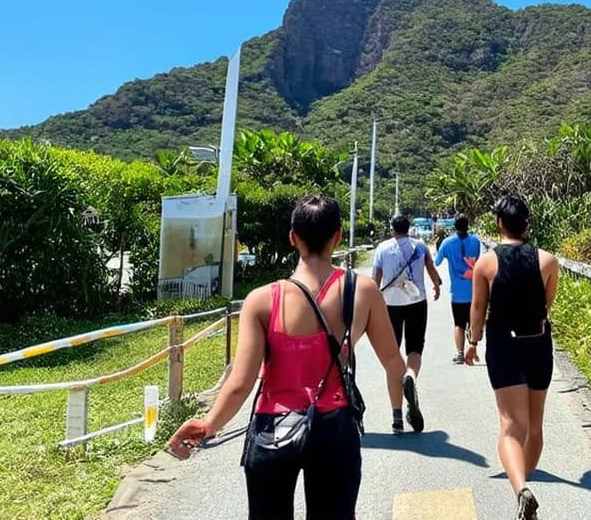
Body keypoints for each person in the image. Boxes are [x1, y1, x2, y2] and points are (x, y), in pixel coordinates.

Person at [166, 195, 406, 520]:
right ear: (337, 236)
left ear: (292, 237)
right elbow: (392, 361)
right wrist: (400, 407)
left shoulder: (262, 300)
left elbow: (240, 382)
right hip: (335, 429)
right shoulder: (363, 291)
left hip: (272, 430)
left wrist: (209, 425)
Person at [464, 195, 558, 520]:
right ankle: (525, 486)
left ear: (499, 223)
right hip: (538, 344)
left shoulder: (486, 264)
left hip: (504, 345)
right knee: (534, 426)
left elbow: (478, 308)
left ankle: (521, 489)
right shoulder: (548, 261)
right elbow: (546, 306)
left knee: (510, 427)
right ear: (527, 223)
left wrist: (473, 341)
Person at [372, 214, 443, 433]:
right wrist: (436, 286)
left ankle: (397, 418)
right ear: (408, 227)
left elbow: (375, 281)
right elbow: (431, 268)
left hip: (390, 305)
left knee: (392, 356)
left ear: (392, 229)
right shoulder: (420, 246)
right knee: (415, 347)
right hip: (417, 302)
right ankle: (410, 375)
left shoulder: (382, 248)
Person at [434, 213, 481, 364]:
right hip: (474, 290)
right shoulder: (476, 241)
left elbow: (437, 262)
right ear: (468, 225)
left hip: (457, 292)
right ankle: (473, 350)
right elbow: (478, 261)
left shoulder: (447, 243)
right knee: (473, 323)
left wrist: (439, 247)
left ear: (454, 226)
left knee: (459, 324)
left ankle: (460, 353)